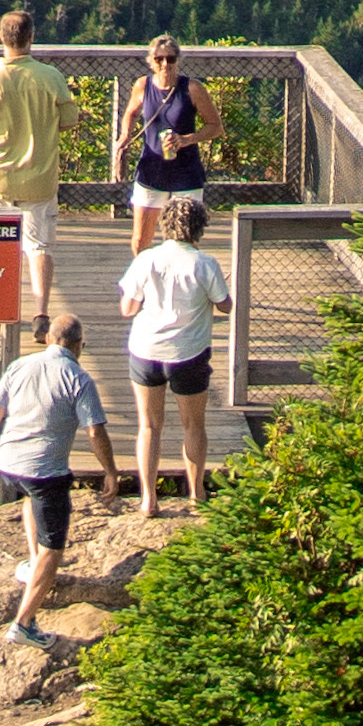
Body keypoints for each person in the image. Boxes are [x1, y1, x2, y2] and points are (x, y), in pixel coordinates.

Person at [0, 315, 121, 647]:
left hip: (8, 464)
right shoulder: (79, 378)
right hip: (44, 472)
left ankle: (30, 561)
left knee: (30, 497)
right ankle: (23, 624)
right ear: (79, 345)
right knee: (53, 550)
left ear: (49, 340)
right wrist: (111, 472)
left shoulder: (19, 366)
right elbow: (95, 430)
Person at [0, 8, 81, 344]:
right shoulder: (50, 76)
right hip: (39, 176)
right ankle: (40, 313)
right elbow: (70, 119)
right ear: (31, 37)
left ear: (1, 37)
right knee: (39, 246)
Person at [118, 192, 231, 514]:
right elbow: (225, 304)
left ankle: (148, 500)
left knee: (149, 426)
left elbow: (127, 309)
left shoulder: (147, 260)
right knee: (193, 426)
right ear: (200, 228)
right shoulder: (204, 263)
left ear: (165, 225)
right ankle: (196, 495)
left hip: (146, 352)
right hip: (189, 354)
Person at [111, 35, 226, 253]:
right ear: (151, 61)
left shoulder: (192, 89)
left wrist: (187, 139)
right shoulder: (143, 86)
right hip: (151, 171)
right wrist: (125, 135)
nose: (165, 64)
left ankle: (181, 285)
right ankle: (145, 282)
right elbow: (131, 113)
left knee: (185, 242)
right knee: (140, 240)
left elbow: (215, 126)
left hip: (186, 174)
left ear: (178, 61)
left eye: (170, 59)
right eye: (159, 59)